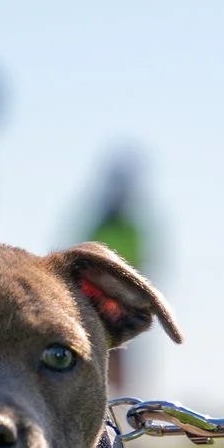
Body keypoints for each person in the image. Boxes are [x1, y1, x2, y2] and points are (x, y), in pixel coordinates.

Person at [80, 152, 154, 392]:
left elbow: (143, 266)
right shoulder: (98, 225)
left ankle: (120, 408)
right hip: (96, 304)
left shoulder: (131, 229)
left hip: (123, 305)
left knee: (122, 358)